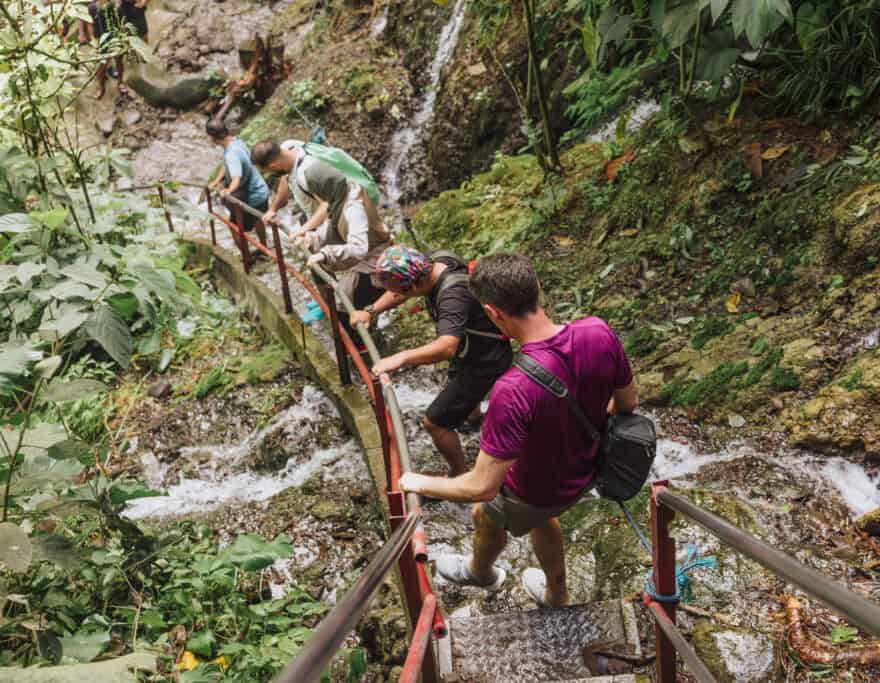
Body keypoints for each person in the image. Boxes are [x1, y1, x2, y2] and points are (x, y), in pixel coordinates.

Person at [399, 254, 638, 607]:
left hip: (537, 489)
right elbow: (628, 402)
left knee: (487, 513)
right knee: (542, 519)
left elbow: (480, 486)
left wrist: (416, 482)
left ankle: (481, 573)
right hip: (589, 468)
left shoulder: (512, 389)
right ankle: (556, 593)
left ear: (493, 314)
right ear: (537, 288)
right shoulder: (597, 331)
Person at [351, 246, 513, 477]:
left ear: (415, 285)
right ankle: (474, 419)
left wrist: (401, 357)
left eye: (403, 292)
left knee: (434, 422)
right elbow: (399, 290)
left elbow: (446, 347)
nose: (399, 296)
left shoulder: (451, 297)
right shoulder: (434, 262)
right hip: (474, 346)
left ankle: (458, 475)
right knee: (462, 397)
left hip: (485, 360)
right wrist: (371, 311)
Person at [251, 140, 390, 340]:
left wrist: (322, 250)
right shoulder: (293, 152)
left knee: (348, 298)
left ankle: (358, 341)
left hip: (373, 261)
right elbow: (331, 220)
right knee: (344, 294)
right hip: (360, 247)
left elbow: (358, 247)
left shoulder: (351, 206)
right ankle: (344, 323)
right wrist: (312, 236)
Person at [206, 120, 270, 254]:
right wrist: (217, 180)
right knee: (259, 219)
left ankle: (248, 258)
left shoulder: (231, 154)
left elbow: (236, 178)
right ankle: (264, 249)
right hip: (261, 189)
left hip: (252, 194)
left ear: (212, 137)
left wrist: (227, 191)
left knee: (234, 226)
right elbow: (227, 164)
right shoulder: (236, 142)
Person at [87, 0, 125, 98]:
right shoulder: (92, 7)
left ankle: (120, 83)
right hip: (100, 40)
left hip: (115, 37)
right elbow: (89, 23)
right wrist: (92, 39)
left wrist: (122, 37)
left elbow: (121, 22)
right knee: (102, 65)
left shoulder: (113, 5)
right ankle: (101, 87)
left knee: (119, 61)